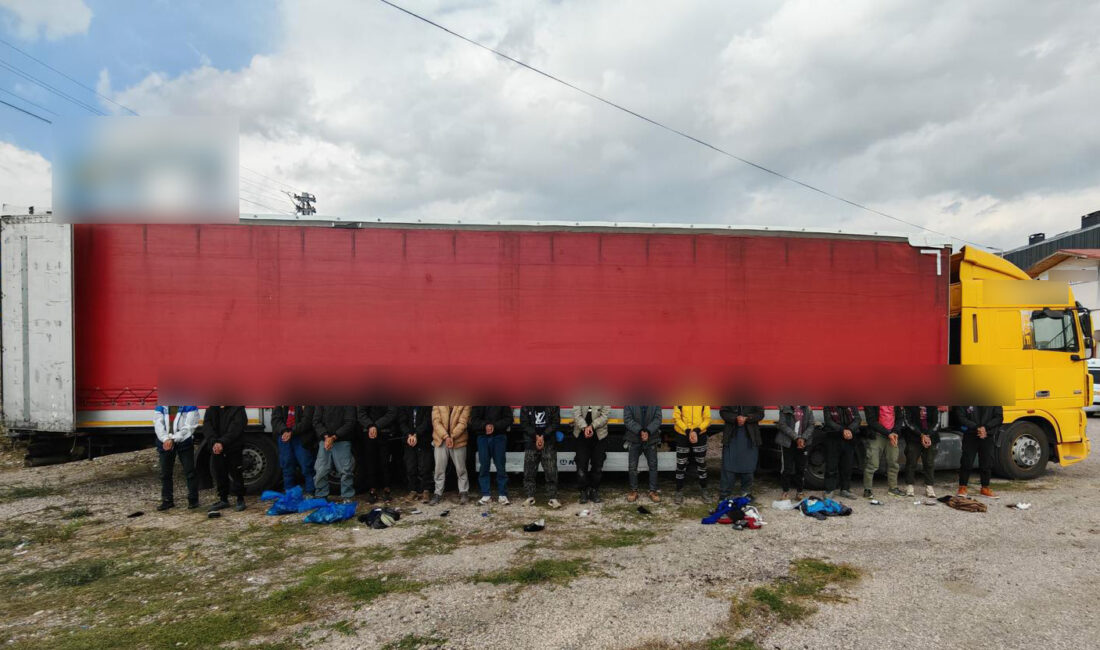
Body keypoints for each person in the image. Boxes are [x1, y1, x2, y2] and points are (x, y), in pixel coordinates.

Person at [153, 404, 200, 510]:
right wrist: (165, 439)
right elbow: (158, 424)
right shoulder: (161, 406)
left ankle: (193, 500)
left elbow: (190, 426)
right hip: (165, 442)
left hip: (183, 442)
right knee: (165, 473)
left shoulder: (190, 405)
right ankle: (167, 500)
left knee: (190, 472)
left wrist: (174, 438)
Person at [204, 405, 248, 512]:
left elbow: (236, 428)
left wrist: (222, 442)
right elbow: (207, 427)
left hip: (233, 447)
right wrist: (214, 442)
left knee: (236, 473)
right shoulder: (211, 409)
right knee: (220, 473)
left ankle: (240, 499)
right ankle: (223, 500)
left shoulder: (238, 408)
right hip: (216, 448)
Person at [952, 405, 1002, 498]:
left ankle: (985, 488)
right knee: (966, 461)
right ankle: (962, 487)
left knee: (987, 462)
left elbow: (999, 417)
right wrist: (976, 427)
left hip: (987, 434)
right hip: (970, 435)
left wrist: (986, 428)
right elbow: (960, 417)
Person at [717, 405, 764, 501]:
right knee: (728, 465)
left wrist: (747, 418)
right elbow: (723, 412)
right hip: (732, 435)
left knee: (748, 465)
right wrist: (735, 418)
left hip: (750, 436)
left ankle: (746, 492)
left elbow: (760, 414)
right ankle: (724, 494)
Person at [520, 405, 562, 508]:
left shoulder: (553, 405)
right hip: (531, 442)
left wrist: (543, 436)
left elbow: (555, 422)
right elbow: (524, 424)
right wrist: (536, 436)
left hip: (548, 442)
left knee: (551, 471)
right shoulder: (526, 406)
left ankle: (552, 497)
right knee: (529, 470)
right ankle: (530, 496)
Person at [470, 405, 513, 505]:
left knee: (500, 466)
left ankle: (503, 494)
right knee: (484, 465)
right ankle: (486, 495)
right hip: (483, 437)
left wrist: (494, 426)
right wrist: (485, 426)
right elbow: (473, 420)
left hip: (499, 437)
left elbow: (509, 419)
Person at [312, 406, 357, 500]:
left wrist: (334, 437)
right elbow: (316, 421)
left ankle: (347, 497)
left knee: (346, 471)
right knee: (321, 470)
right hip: (324, 441)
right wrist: (326, 436)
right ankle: (321, 496)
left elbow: (350, 422)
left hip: (342, 440)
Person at [272, 405, 317, 497]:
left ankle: (310, 492)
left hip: (301, 438)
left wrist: (291, 432)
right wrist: (284, 431)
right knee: (287, 466)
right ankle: (289, 494)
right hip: (284, 437)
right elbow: (275, 420)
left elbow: (307, 421)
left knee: (306, 466)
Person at [430, 405, 471, 506]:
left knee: (461, 468)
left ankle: (463, 492)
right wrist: (446, 437)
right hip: (441, 439)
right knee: (439, 469)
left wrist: (452, 436)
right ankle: (437, 493)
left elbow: (463, 422)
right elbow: (436, 421)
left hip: (458, 439)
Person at [357, 406, 399, 503]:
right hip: (368, 433)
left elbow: (392, 412)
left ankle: (387, 489)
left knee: (385, 462)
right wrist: (370, 426)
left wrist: (376, 425)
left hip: (385, 432)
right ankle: (372, 490)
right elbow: (361, 413)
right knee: (370, 462)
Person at [673, 405, 713, 504]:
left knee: (701, 464)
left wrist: (696, 431)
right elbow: (676, 418)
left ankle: (704, 490)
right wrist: (687, 431)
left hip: (700, 435)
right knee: (681, 464)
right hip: (682, 435)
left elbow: (707, 419)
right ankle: (679, 491)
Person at [571, 405, 611, 504]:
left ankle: (594, 490)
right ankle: (583, 491)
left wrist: (592, 426)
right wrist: (585, 428)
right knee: (581, 464)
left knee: (597, 465)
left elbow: (605, 416)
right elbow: (576, 414)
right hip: (581, 434)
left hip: (599, 435)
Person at [623, 404, 662, 503]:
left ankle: (653, 491)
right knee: (632, 466)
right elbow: (627, 420)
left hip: (651, 438)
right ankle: (633, 491)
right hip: (634, 438)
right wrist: (640, 431)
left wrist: (648, 431)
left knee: (653, 465)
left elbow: (658, 419)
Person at [862, 405, 903, 499]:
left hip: (892, 435)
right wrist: (888, 433)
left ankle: (893, 488)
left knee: (893, 463)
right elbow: (871, 421)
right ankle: (867, 489)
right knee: (872, 463)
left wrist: (895, 432)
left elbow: (900, 418)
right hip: (877, 435)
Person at [776, 405, 815, 500]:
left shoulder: (808, 409)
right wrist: (796, 437)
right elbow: (782, 425)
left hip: (803, 442)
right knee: (787, 468)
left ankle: (800, 492)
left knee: (801, 468)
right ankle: (785, 491)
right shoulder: (784, 408)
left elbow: (811, 425)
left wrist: (803, 438)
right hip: (788, 442)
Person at [900, 405, 940, 498]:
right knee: (911, 462)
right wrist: (921, 435)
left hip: (931, 438)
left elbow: (937, 422)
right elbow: (908, 422)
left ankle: (929, 487)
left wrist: (928, 435)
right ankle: (910, 486)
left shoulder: (933, 406)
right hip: (914, 438)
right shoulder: (909, 406)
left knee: (929, 463)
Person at [822, 406, 861, 500]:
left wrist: (850, 429)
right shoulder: (828, 405)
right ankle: (829, 490)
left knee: (847, 465)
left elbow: (858, 419)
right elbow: (828, 421)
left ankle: (845, 489)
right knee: (831, 465)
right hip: (833, 437)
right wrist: (842, 430)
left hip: (849, 438)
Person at [399, 405, 434, 503]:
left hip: (424, 439)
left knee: (425, 466)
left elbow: (427, 421)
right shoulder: (404, 406)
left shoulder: (427, 406)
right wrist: (409, 435)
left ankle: (426, 490)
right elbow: (402, 422)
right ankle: (413, 490)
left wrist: (416, 434)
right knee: (410, 466)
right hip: (409, 440)